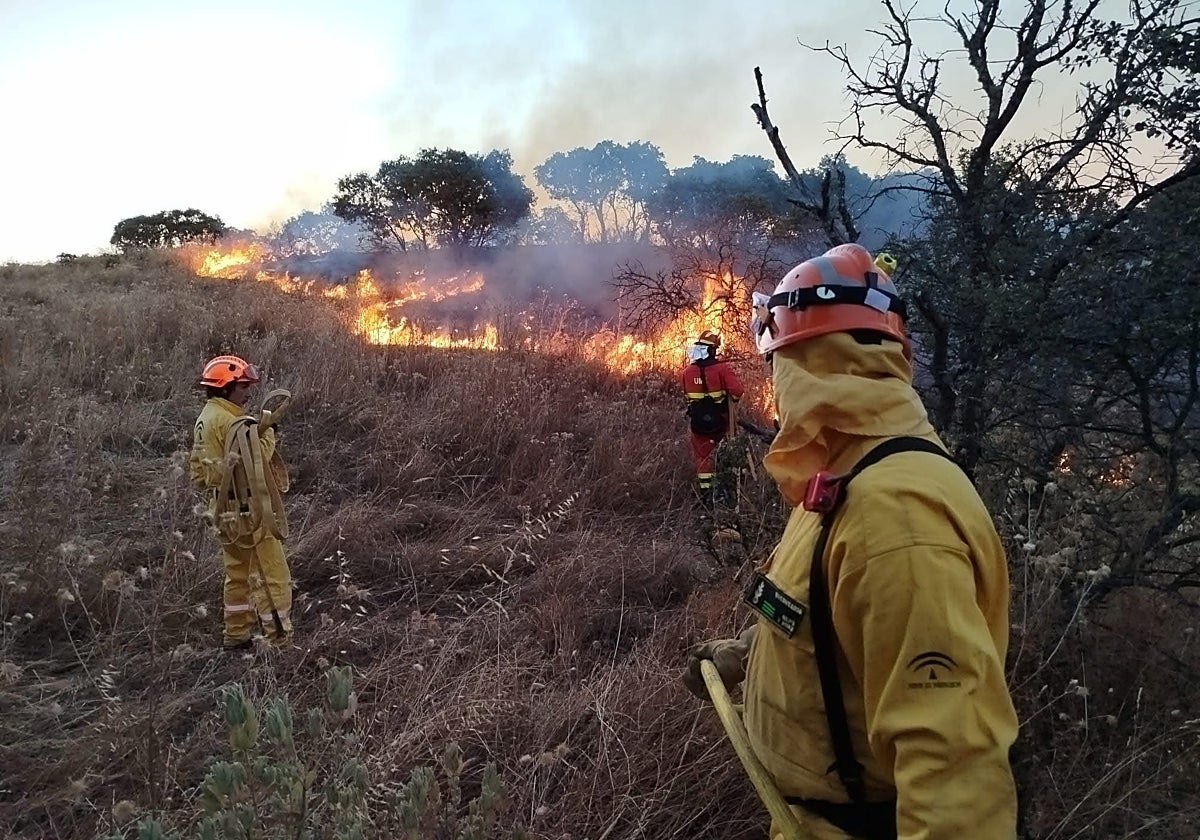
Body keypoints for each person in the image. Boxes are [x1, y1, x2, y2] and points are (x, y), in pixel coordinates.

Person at [683, 245, 1018, 839]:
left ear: (810, 364)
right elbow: (827, 617)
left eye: (779, 365)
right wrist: (747, 654)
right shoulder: (845, 477)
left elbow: (953, 773)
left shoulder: (899, 521)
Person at [188, 354, 293, 650]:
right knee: (273, 576)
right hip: (249, 512)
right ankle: (280, 640)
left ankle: (236, 634)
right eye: (243, 386)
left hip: (223, 511)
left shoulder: (205, 417)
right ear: (226, 388)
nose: (248, 392)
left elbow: (197, 471)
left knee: (238, 573)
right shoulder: (230, 419)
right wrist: (269, 432)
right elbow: (256, 460)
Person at [679, 330, 744, 500]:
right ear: (712, 350)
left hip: (699, 425)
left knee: (702, 458)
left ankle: (706, 495)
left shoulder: (686, 373)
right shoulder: (722, 369)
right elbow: (737, 391)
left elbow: (687, 396)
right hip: (722, 423)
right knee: (727, 453)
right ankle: (727, 492)